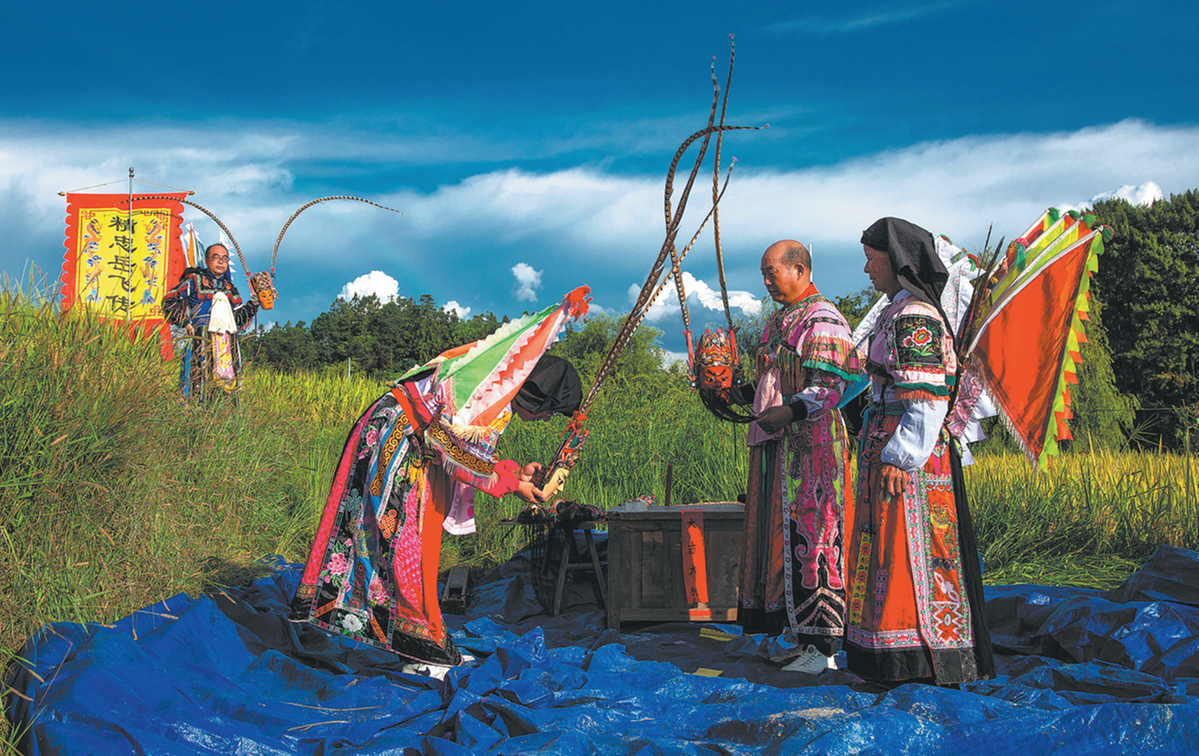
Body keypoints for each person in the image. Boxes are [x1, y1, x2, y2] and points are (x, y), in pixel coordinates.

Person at [289, 287, 590, 674]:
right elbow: (451, 446)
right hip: (394, 443)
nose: (548, 420)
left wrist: (515, 474)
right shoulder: (489, 389)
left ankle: (424, 639)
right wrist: (513, 485)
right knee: (404, 545)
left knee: (419, 545)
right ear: (539, 398)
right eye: (551, 412)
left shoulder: (496, 390)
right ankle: (419, 648)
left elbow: (466, 447)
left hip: (415, 448)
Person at [845, 217, 995, 685]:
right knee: (887, 551)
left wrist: (900, 455)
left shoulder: (915, 316)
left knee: (911, 549)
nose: (867, 270)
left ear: (896, 260)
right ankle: (886, 651)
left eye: (872, 260)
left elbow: (927, 395)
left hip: (907, 451)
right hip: (884, 436)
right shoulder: (899, 311)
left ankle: (918, 658)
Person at [739, 240, 861, 674]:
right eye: (763, 273)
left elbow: (830, 385)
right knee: (780, 535)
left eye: (773, 271)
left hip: (815, 447)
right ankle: (793, 632)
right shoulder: (779, 321)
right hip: (780, 444)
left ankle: (824, 645)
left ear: (800, 269)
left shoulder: (823, 319)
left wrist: (790, 411)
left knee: (817, 535)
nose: (767, 280)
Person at [161, 243, 258, 401]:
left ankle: (225, 419)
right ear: (206, 260)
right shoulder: (194, 280)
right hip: (201, 338)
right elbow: (170, 300)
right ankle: (196, 417)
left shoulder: (229, 287)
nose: (220, 261)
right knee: (199, 380)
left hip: (227, 342)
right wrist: (185, 322)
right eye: (216, 257)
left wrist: (255, 303)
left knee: (226, 385)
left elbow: (237, 319)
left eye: (224, 258)